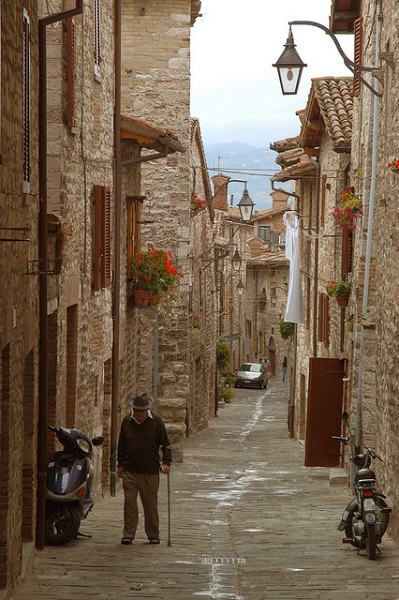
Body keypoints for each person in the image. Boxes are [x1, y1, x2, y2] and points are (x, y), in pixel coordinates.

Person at [117, 392, 172, 545]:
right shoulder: (127, 421)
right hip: (130, 471)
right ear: (133, 410)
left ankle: (153, 534)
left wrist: (167, 462)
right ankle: (128, 534)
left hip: (150, 471)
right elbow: (122, 445)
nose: (140, 414)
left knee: (150, 505)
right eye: (137, 411)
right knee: (129, 504)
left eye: (142, 411)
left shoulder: (157, 421)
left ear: (147, 409)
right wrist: (120, 464)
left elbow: (166, 444)